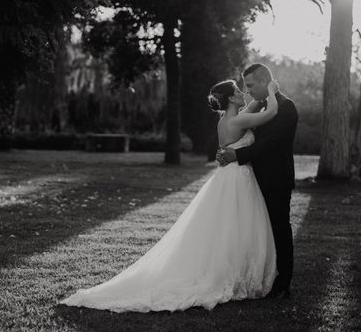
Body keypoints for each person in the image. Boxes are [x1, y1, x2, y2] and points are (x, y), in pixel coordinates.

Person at [60, 78, 281, 312]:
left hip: (229, 178)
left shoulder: (226, 119)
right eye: (238, 90)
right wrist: (272, 92)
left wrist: (258, 99)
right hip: (238, 179)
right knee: (236, 225)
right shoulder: (238, 119)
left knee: (227, 227)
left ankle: (234, 270)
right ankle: (235, 274)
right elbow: (271, 112)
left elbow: (251, 108)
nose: (242, 92)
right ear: (231, 98)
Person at [217, 63, 298, 299]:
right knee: (257, 230)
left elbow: (270, 143)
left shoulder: (285, 107)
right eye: (245, 87)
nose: (248, 91)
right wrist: (229, 150)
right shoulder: (261, 106)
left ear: (265, 82)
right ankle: (260, 275)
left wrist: (236, 155)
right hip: (251, 180)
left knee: (279, 229)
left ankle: (283, 282)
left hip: (276, 179)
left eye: (251, 85)